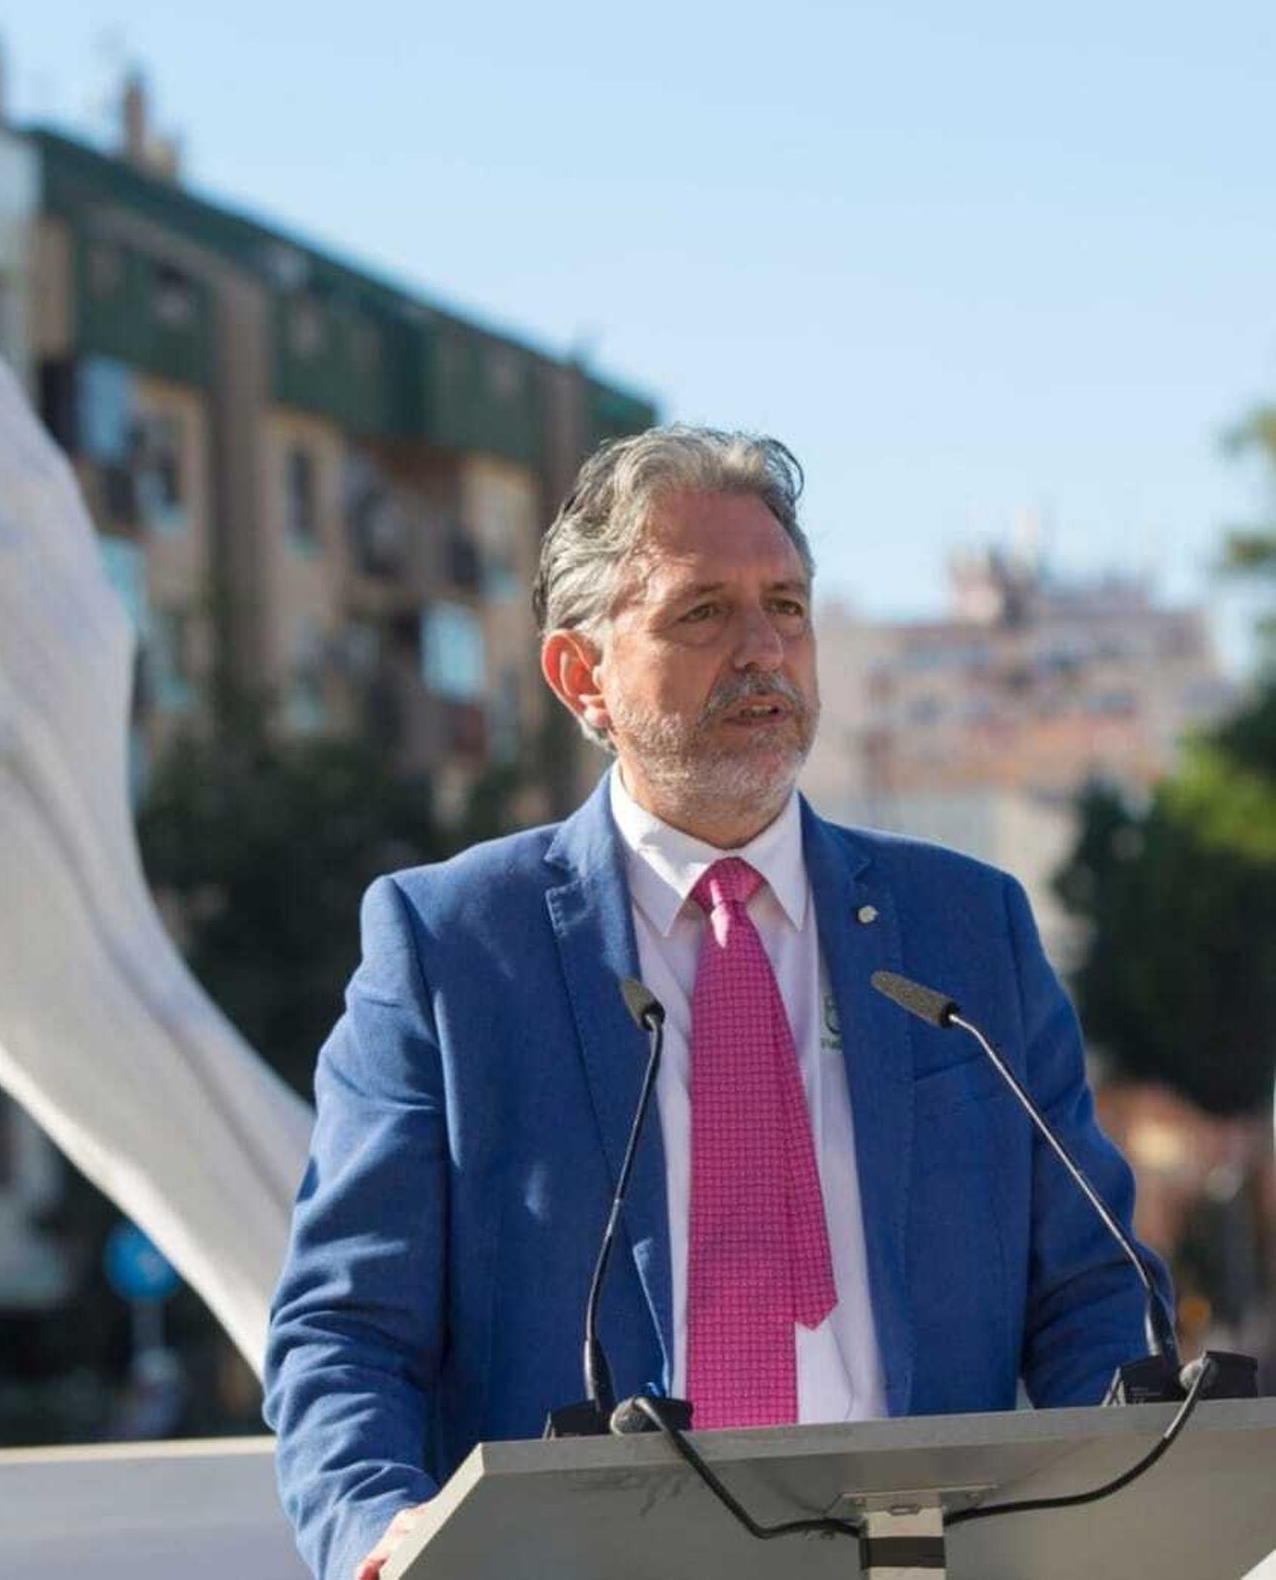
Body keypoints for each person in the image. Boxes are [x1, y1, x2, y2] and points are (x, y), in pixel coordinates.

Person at [263, 426, 1167, 1580]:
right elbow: (345, 1332)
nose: (762, 651)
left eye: (785, 606)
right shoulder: (452, 946)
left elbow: (1092, 1289)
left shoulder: (965, 930)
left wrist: (1128, 1506)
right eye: (701, 614)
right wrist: (371, 1530)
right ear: (580, 677)